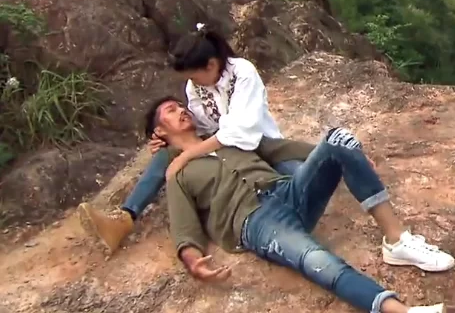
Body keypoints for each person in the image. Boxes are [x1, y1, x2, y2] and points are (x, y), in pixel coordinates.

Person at [153, 96, 455, 313]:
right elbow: (183, 226)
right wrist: (193, 261)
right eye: (170, 110)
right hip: (256, 220)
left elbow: (279, 148)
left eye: (180, 105)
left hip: (287, 191)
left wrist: (346, 154)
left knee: (339, 138)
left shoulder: (226, 136)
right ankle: (398, 310)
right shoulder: (177, 173)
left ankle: (397, 242)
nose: (181, 110)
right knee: (316, 259)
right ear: (160, 132)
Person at [78, 24, 311, 253]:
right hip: (230, 153)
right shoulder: (195, 88)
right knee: (167, 156)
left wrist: (186, 154)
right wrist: (167, 138)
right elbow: (200, 125)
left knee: (308, 179)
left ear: (211, 65)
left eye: (193, 76)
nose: (192, 84)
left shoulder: (242, 73)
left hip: (259, 146)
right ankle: (124, 219)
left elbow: (238, 131)